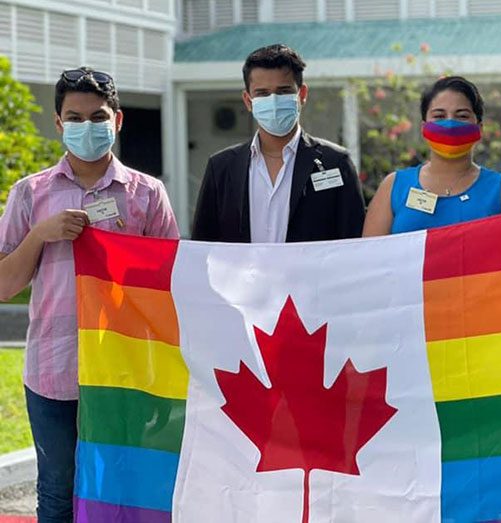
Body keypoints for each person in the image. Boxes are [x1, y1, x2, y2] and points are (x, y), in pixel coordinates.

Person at [0, 67, 179, 523]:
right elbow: (4, 285)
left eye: (97, 117)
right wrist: (40, 235)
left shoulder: (146, 194)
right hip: (54, 371)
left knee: (125, 488)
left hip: (128, 372)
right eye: (74, 118)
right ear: (59, 124)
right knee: (57, 493)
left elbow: (170, 284)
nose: (86, 127)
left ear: (117, 120)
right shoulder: (30, 194)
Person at [191, 44, 365, 243]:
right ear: (248, 100)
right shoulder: (221, 167)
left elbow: (354, 245)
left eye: (283, 91)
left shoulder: (336, 162)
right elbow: (202, 246)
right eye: (262, 93)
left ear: (302, 94)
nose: (273, 101)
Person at [362, 75, 501, 236]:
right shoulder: (394, 186)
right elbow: (369, 258)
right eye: (439, 116)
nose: (450, 124)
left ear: (480, 129)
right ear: (423, 128)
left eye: (462, 116)